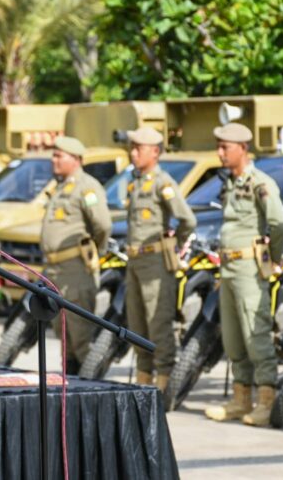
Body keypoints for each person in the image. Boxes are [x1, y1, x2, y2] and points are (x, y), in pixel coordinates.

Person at [204, 123, 283, 427]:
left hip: (249, 268)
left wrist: (274, 259)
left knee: (256, 333)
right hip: (228, 268)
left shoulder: (259, 182)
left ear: (242, 148)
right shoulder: (231, 183)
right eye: (219, 146)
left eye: (225, 147)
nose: (220, 152)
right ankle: (241, 399)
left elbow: (278, 224)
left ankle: (266, 401)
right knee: (233, 337)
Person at [124, 127, 196, 391]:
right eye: (132, 148)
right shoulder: (135, 182)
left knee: (158, 322)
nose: (133, 153)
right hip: (133, 261)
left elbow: (187, 219)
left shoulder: (162, 183)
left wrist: (173, 242)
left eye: (138, 149)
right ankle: (143, 380)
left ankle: (164, 385)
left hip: (155, 262)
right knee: (137, 323)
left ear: (154, 152)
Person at [40, 136, 111, 374]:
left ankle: (91, 387)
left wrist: (92, 251)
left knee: (80, 336)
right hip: (55, 270)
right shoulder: (61, 186)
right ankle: (69, 387)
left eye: (59, 155)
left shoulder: (87, 186)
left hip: (75, 270)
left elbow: (102, 225)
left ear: (76, 159)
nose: (54, 160)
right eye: (54, 154)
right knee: (64, 337)